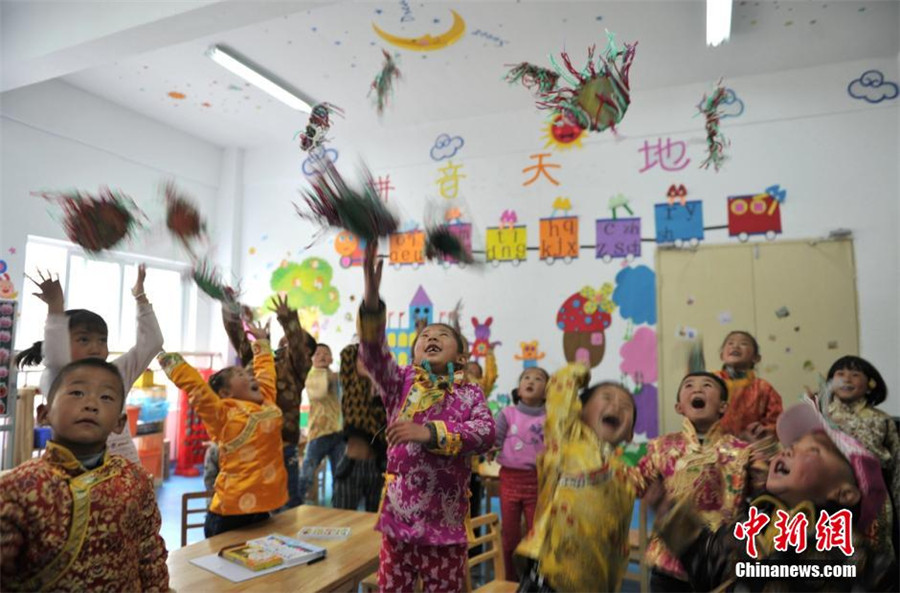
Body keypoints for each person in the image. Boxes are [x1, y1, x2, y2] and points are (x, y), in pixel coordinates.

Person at [358, 241, 495, 593]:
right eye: (425, 337)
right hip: (397, 524)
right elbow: (373, 353)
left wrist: (428, 433)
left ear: (461, 359)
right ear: (413, 352)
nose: (432, 336)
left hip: (445, 530)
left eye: (443, 336)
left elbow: (485, 433)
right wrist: (372, 300)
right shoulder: (400, 381)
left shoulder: (469, 393)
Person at [653, 399, 896, 592]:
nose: (789, 449)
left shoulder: (849, 551)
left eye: (813, 450)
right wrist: (677, 521)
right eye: (793, 445)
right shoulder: (756, 521)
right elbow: (713, 564)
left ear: (843, 493)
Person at [0, 358, 168, 591]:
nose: (91, 404)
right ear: (44, 414)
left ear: (120, 423)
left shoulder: (135, 479)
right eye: (77, 393)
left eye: (106, 397)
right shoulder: (15, 488)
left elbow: (150, 555)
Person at [18, 266, 164, 463]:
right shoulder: (57, 374)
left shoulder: (116, 372)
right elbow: (56, 355)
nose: (96, 348)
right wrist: (55, 306)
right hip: (72, 470)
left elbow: (152, 343)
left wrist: (140, 297)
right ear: (62, 341)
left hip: (121, 469)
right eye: (84, 340)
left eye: (102, 340)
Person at [158, 322, 287, 537]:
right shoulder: (223, 414)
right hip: (230, 512)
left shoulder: (266, 400)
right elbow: (197, 387)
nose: (250, 376)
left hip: (263, 507)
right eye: (240, 375)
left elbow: (266, 373)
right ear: (226, 392)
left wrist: (262, 342)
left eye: (248, 374)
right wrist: (167, 359)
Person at [517, 365, 637, 592]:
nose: (616, 406)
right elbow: (559, 389)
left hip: (593, 583)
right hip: (548, 578)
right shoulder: (567, 441)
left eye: (626, 406)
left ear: (630, 433)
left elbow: (619, 538)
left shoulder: (624, 475)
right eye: (607, 398)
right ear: (580, 411)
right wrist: (579, 371)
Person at [630, 372, 751, 592]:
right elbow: (634, 483)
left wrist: (767, 445)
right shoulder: (661, 447)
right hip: (670, 562)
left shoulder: (741, 451)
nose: (698, 389)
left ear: (723, 407)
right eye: (689, 385)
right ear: (679, 407)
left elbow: (767, 490)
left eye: (707, 385)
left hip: (722, 564)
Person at [221, 293, 313, 509]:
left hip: (283, 449)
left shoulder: (296, 368)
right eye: (279, 343)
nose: (282, 345)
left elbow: (297, 346)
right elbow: (237, 336)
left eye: (286, 343)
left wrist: (288, 318)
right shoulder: (255, 362)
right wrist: (229, 307)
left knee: (287, 509)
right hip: (253, 449)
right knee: (255, 510)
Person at [819, 355, 898, 556]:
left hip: (874, 494)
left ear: (870, 384)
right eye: (840, 374)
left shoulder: (882, 420)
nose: (846, 379)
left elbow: (897, 464)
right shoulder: (819, 416)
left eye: (855, 375)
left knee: (874, 555)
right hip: (828, 494)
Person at [493, 367, 549, 581]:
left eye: (538, 378)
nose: (531, 381)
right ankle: (510, 579)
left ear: (546, 392)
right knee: (510, 536)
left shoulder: (550, 418)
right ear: (519, 388)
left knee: (537, 535)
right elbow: (495, 438)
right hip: (509, 479)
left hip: (536, 482)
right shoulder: (508, 413)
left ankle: (536, 579)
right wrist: (490, 448)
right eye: (526, 377)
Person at [332, 343, 387, 512]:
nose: (368, 362)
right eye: (362, 359)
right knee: (343, 522)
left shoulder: (385, 392)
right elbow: (349, 352)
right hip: (352, 467)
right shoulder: (351, 388)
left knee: (375, 528)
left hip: (378, 467)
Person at [297, 343, 345, 505]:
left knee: (340, 472)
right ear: (311, 359)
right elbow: (320, 392)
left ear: (332, 358)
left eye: (326, 353)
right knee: (308, 471)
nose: (322, 356)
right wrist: (334, 377)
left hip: (337, 431)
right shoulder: (311, 376)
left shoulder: (334, 375)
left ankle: (339, 503)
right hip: (318, 432)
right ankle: (298, 501)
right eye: (317, 354)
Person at [713, 330, 783, 441]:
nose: (735, 346)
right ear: (722, 355)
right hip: (713, 449)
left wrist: (764, 430)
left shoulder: (763, 388)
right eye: (730, 343)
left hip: (751, 449)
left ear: (756, 358)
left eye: (743, 343)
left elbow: (777, 422)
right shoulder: (711, 382)